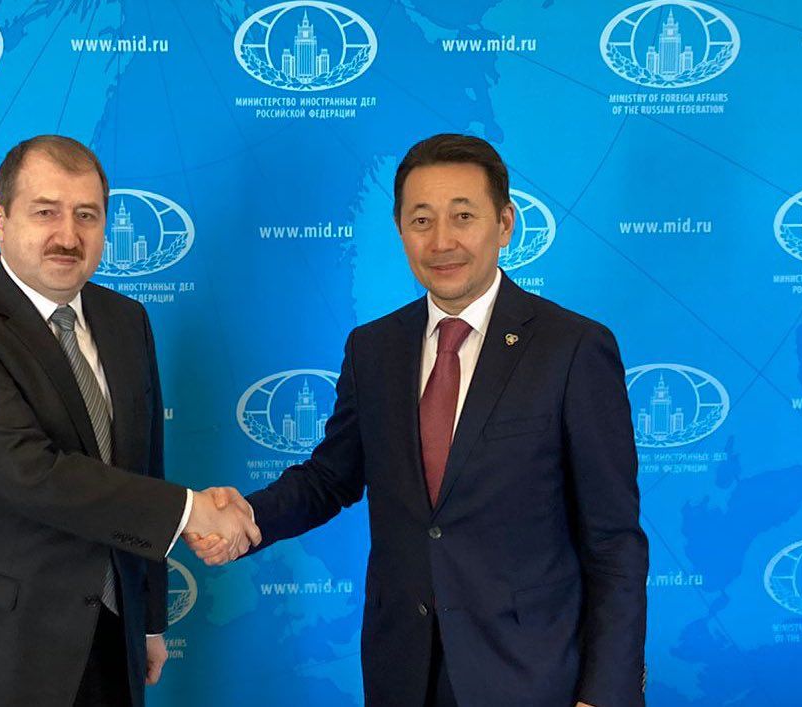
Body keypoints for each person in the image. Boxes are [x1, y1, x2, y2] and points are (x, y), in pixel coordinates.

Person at [189, 134, 648, 707]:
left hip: (530, 676)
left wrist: (605, 695)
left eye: (463, 216)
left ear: (505, 224)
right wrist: (249, 517)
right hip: (403, 670)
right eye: (421, 220)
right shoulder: (374, 348)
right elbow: (331, 477)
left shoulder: (573, 348)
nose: (442, 241)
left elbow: (614, 541)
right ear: (400, 230)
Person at [0, 135, 258, 707]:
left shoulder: (126, 320)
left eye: (86, 215)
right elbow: (32, 474)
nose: (68, 236)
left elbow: (141, 468)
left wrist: (148, 620)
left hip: (107, 638)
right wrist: (194, 510)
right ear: (1, 221)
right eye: (45, 212)